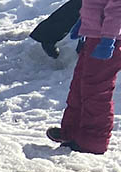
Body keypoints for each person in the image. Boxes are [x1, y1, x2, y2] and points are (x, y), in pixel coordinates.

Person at [46, 0, 121, 153]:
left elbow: (117, 10)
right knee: (79, 85)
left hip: (109, 39)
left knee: (96, 90)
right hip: (94, 35)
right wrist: (84, 22)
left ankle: (94, 139)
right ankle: (72, 131)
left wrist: (108, 40)